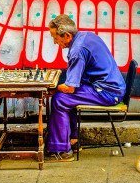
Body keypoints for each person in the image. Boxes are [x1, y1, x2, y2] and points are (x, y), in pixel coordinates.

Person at [45, 14, 126, 161]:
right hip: (112, 87)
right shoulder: (86, 35)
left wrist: (51, 88)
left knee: (60, 99)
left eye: (55, 38)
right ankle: (73, 141)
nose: (55, 42)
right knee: (65, 99)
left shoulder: (77, 51)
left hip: (107, 92)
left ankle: (62, 150)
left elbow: (70, 88)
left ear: (67, 36)